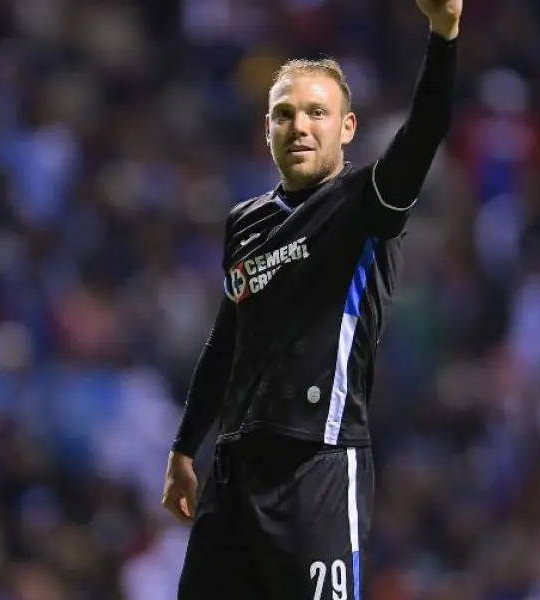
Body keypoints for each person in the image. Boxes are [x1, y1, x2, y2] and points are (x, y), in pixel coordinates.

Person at [162, 1, 463, 597]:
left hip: (316, 469)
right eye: (284, 114)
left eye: (317, 113)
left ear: (346, 128)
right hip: (233, 470)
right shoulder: (244, 222)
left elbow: (424, 131)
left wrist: (445, 35)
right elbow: (227, 338)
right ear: (266, 130)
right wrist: (182, 449)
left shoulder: (365, 205)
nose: (300, 126)